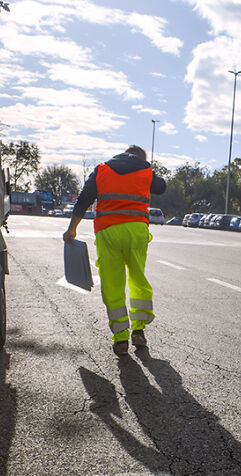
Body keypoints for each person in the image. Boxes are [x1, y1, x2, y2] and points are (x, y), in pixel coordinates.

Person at [63, 145, 167, 356]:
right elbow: (161, 187)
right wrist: (147, 168)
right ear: (141, 158)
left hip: (108, 231)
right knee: (137, 278)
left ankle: (120, 339)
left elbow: (84, 199)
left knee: (112, 283)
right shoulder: (145, 170)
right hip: (136, 232)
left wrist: (72, 228)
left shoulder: (102, 170)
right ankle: (139, 331)